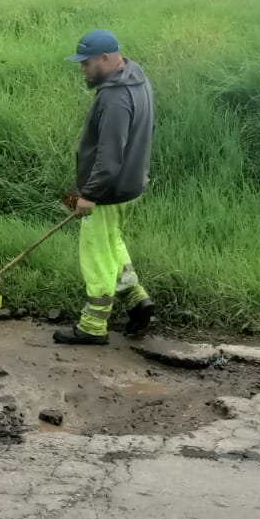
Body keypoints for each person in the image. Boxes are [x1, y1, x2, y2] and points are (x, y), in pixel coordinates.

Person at [54, 29, 156, 346]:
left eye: (86, 63)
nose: (83, 69)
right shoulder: (135, 76)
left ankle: (93, 327)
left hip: (109, 191)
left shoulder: (114, 97)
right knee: (113, 244)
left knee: (96, 253)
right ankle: (137, 299)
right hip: (130, 186)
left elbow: (109, 158)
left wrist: (89, 195)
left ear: (106, 58)